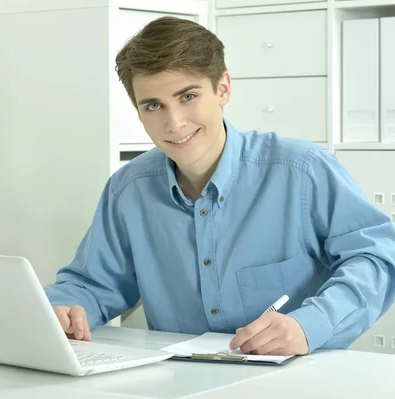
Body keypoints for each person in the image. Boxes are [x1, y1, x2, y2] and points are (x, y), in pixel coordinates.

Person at [43, 16, 395, 356]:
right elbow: (92, 285)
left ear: (223, 87)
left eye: (188, 97)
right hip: (179, 382)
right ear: (138, 111)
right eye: (153, 106)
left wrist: (311, 325)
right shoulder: (128, 189)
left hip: (297, 379)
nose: (174, 123)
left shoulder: (301, 171)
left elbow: (377, 258)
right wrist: (65, 311)